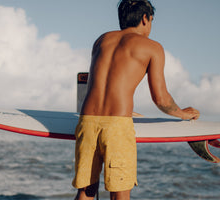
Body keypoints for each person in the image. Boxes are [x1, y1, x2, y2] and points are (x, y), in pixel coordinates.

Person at [72, 0, 200, 199]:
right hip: (117, 127)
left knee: (86, 192)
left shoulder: (102, 40)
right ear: (145, 18)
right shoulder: (152, 47)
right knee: (120, 194)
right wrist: (183, 113)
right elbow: (161, 98)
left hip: (87, 120)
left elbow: (99, 85)